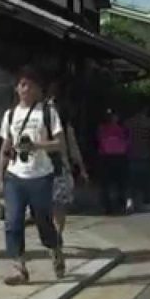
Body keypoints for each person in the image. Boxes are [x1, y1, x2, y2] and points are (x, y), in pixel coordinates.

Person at [0, 67, 65, 285]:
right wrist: (0, 176)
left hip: (41, 174)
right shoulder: (10, 115)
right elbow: (6, 147)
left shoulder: (47, 111)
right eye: (22, 84)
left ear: (38, 89)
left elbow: (59, 144)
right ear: (17, 88)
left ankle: (54, 248)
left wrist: (37, 145)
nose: (26, 89)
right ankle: (19, 266)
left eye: (31, 85)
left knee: (42, 220)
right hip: (15, 175)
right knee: (13, 221)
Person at [47, 86, 88, 242]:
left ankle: (57, 234)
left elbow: (73, 149)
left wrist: (81, 168)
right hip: (47, 167)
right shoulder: (41, 122)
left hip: (59, 167)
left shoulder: (64, 127)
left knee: (58, 204)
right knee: (56, 205)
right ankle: (55, 233)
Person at [125, 104, 150, 212]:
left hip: (131, 154)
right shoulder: (149, 123)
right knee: (147, 180)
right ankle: (147, 202)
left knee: (131, 180)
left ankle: (130, 200)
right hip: (146, 154)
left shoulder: (128, 123)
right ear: (145, 110)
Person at [96, 108, 130, 214]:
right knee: (113, 184)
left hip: (113, 156)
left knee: (116, 183)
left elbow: (127, 141)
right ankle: (112, 205)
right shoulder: (106, 128)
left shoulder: (121, 128)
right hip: (112, 157)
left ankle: (117, 205)